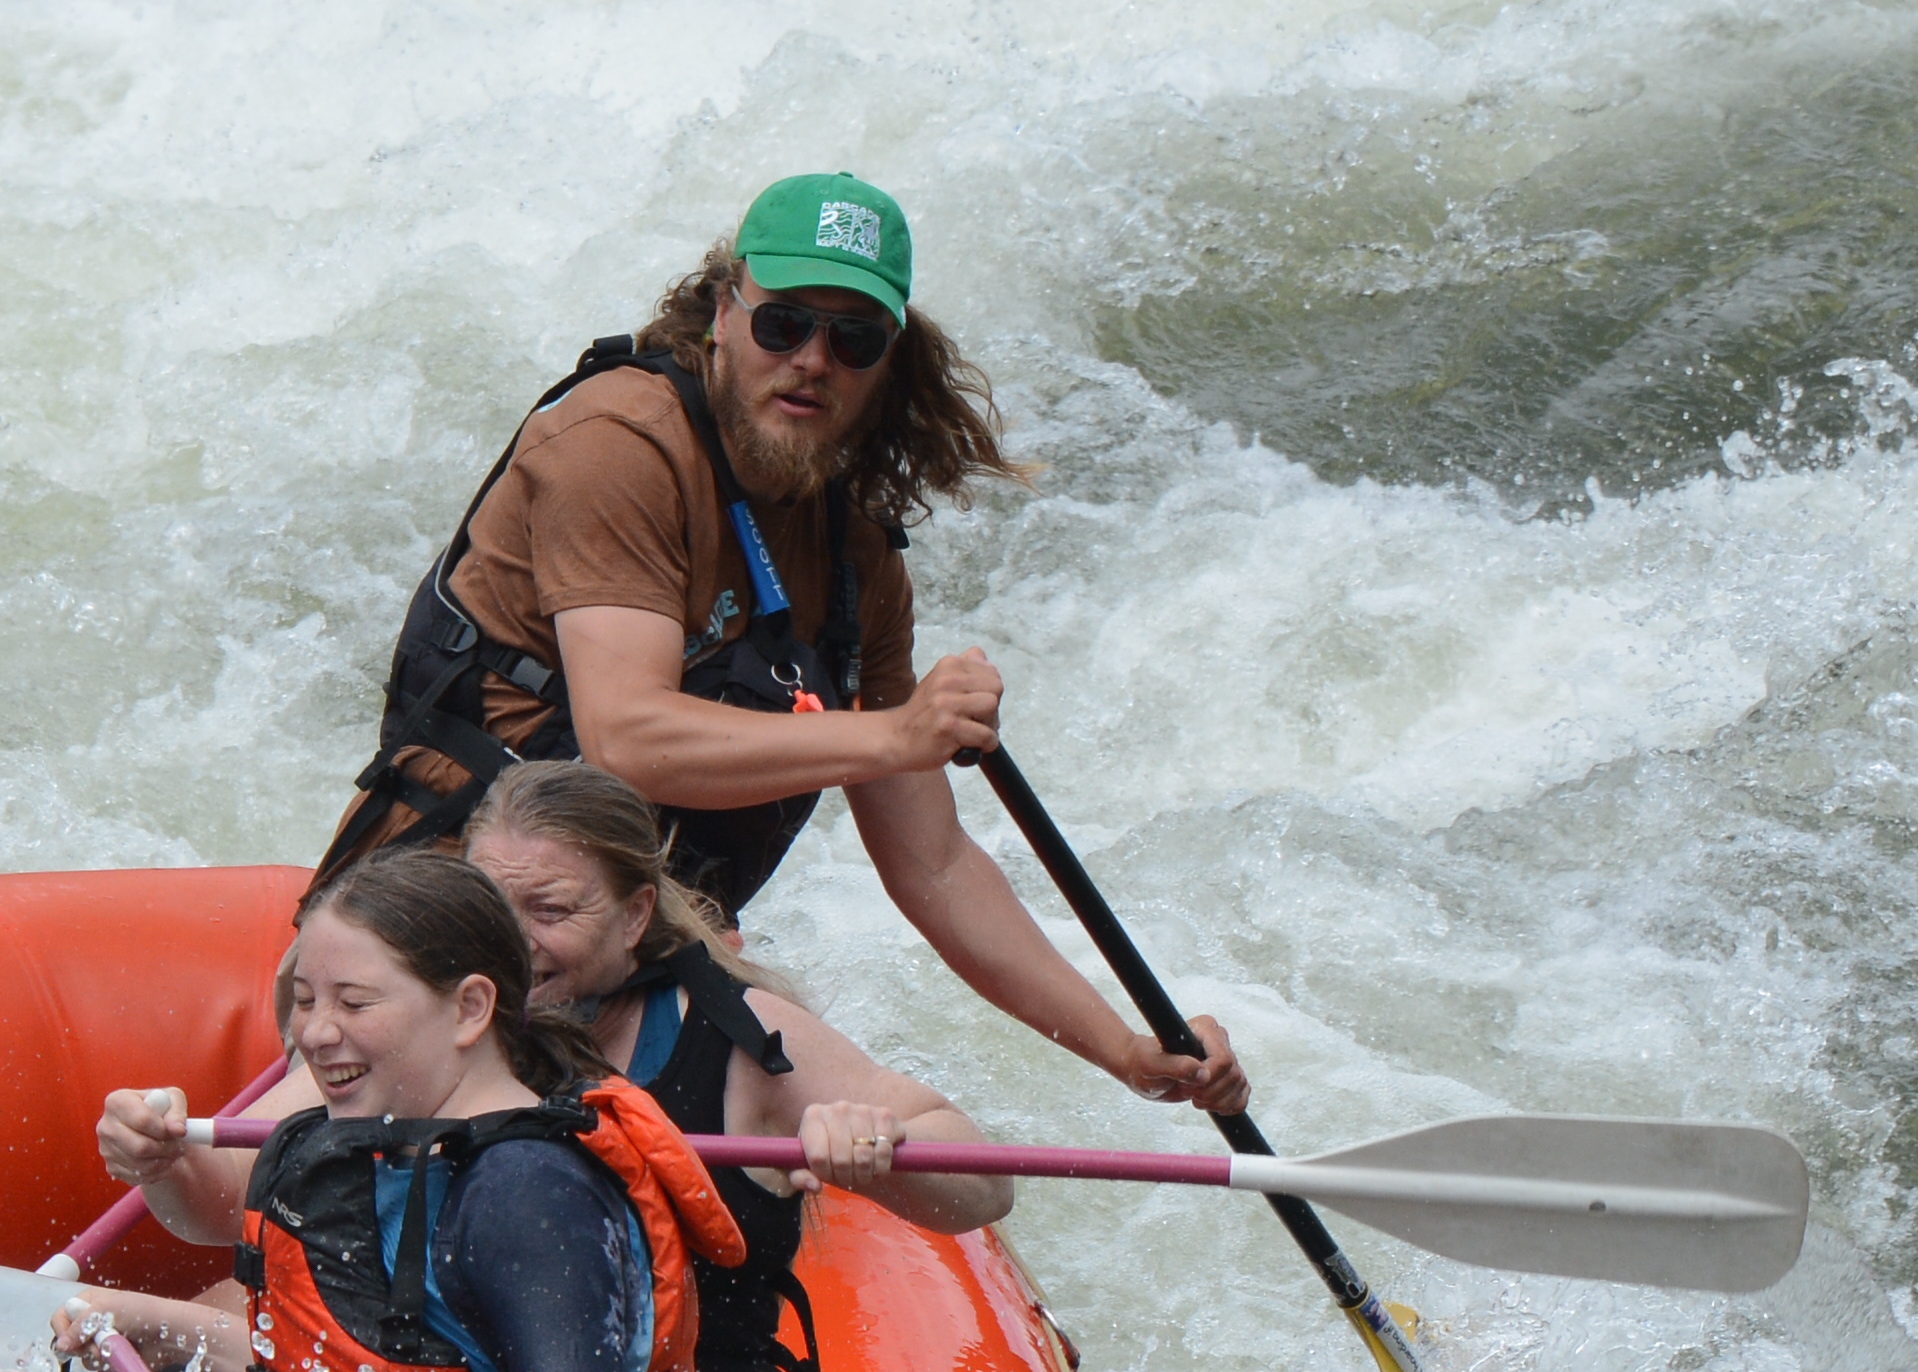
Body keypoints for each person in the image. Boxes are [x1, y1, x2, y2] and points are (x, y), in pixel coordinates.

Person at [312, 171, 1252, 1123]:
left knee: (900, 1130)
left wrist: (1123, 1049)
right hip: (447, 925)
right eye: (784, 324)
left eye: (853, 340)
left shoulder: (855, 550)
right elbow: (626, 738)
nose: (811, 360)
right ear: (723, 313)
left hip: (628, 955)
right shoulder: (619, 442)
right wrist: (895, 735)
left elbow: (932, 862)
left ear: (888, 361)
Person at [60, 851, 743, 1372]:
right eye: (305, 999)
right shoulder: (384, 1139)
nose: (315, 1033)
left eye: (354, 1004)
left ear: (470, 1008)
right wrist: (159, 1321)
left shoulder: (525, 1187)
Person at [466, 757, 1006, 1372]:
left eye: (549, 911)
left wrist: (875, 1138)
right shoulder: (427, 1020)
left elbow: (983, 1188)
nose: (514, 944)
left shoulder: (744, 1040)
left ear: (634, 915)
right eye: (488, 907)